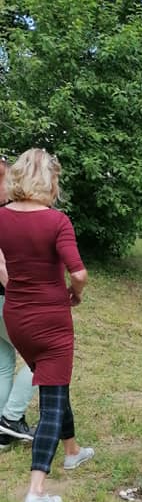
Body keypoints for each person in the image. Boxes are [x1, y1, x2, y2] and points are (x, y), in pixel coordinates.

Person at [0, 148, 93, 502]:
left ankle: (72, 451)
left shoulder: (1, 217)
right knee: (51, 401)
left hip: (17, 318)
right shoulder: (57, 222)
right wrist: (76, 293)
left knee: (56, 381)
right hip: (52, 320)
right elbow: (80, 273)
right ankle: (36, 489)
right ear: (49, 180)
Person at [0, 156, 37, 453]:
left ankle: (1, 434)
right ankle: (11, 418)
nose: (11, 186)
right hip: (5, 301)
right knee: (45, 358)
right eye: (6, 180)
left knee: (2, 364)